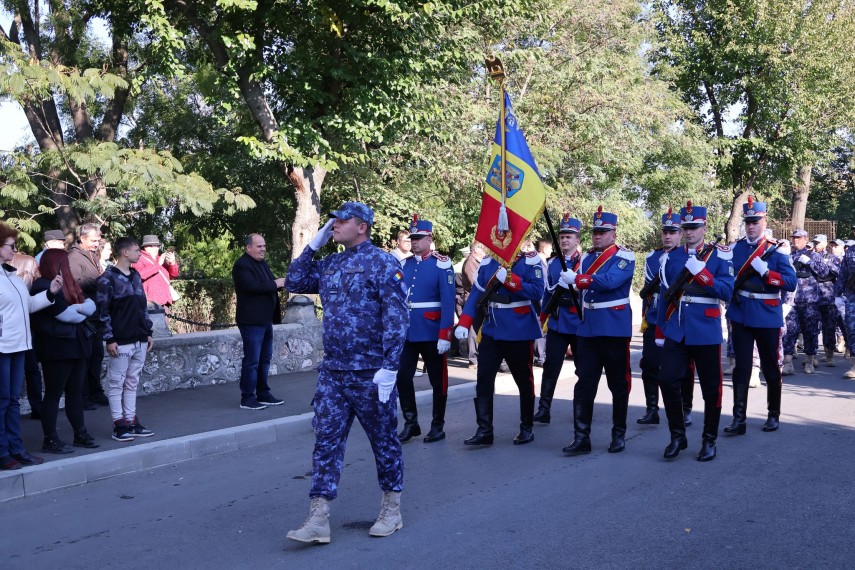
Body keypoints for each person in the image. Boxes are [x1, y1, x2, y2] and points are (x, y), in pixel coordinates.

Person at [285, 201, 409, 543]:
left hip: (371, 372)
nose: (335, 225)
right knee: (326, 442)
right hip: (334, 373)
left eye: (342, 221)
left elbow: (397, 320)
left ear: (362, 226)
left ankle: (391, 509)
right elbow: (294, 281)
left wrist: (390, 367)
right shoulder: (331, 263)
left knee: (384, 442)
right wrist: (312, 246)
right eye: (333, 221)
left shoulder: (384, 263)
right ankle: (319, 519)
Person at [656, 202, 734, 461]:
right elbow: (665, 296)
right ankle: (677, 436)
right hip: (676, 329)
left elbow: (726, 292)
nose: (689, 232)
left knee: (711, 388)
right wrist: (660, 329)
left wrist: (704, 276)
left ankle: (709, 439)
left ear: (704, 227)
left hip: (706, 328)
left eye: (694, 227)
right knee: (667, 380)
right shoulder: (671, 257)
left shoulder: (720, 255)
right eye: (685, 228)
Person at [455, 238, 546, 447]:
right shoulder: (487, 263)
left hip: (519, 331)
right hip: (492, 330)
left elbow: (537, 292)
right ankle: (484, 430)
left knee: (524, 381)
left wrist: (512, 281)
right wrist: (464, 322)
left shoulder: (530, 262)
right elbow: (476, 294)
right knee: (484, 380)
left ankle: (526, 427)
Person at [562, 206, 635, 456]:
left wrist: (578, 280)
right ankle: (582, 437)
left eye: (603, 232)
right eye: (595, 232)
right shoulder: (587, 259)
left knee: (618, 384)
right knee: (585, 384)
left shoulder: (625, 257)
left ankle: (618, 434)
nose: (597, 236)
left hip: (613, 328)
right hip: (588, 328)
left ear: (614, 233)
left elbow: (610, 281)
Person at [725, 197, 796, 435]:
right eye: (748, 222)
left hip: (766, 315)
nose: (751, 226)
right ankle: (738, 419)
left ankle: (773, 414)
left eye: (755, 221)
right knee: (741, 367)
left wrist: (768, 273)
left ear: (764, 221)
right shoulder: (736, 248)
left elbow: (790, 283)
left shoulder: (776, 250)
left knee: (770, 367)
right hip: (742, 314)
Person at [0, 222, 62, 470]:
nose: (14, 250)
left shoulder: (11, 275)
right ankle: (3, 451)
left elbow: (25, 307)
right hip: (3, 348)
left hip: (19, 346)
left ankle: (16, 449)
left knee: (13, 400)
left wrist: (51, 293)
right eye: (10, 246)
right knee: (3, 401)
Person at [30, 249, 99, 453]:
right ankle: (50, 439)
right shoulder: (42, 286)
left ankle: (80, 433)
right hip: (56, 348)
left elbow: (91, 306)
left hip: (75, 346)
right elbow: (65, 315)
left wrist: (78, 309)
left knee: (75, 393)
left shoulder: (69, 284)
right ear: (57, 263)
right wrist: (80, 310)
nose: (68, 264)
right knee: (53, 394)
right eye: (65, 261)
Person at [395, 215, 455, 443]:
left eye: (419, 238)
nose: (415, 242)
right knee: (402, 377)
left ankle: (438, 425)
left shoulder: (441, 263)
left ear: (430, 238)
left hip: (432, 331)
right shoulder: (405, 264)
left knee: (438, 381)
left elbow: (448, 301)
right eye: (412, 238)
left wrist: (445, 334)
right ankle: (411, 423)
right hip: (409, 331)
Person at [637, 208, 696, 427]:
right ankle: (652, 408)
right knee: (649, 365)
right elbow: (647, 291)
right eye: (665, 232)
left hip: (678, 320)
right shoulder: (652, 258)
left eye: (673, 232)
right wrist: (645, 318)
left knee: (684, 368)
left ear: (681, 234)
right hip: (655, 318)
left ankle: (685, 408)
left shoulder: (687, 257)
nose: (668, 236)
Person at [96, 237, 155, 442]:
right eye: (137, 250)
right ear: (125, 253)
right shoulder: (107, 278)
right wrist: (109, 338)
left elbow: (142, 306)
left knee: (132, 382)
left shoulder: (136, 275)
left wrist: (148, 332)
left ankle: (131, 420)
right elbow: (103, 311)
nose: (140, 253)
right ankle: (118, 423)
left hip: (139, 337)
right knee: (116, 383)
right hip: (120, 340)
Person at [534, 214, 583, 424]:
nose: (564, 240)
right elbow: (547, 293)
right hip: (557, 322)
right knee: (551, 367)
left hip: (580, 323)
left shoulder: (586, 262)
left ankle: (581, 410)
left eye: (569, 236)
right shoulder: (553, 263)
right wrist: (542, 317)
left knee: (583, 369)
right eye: (562, 236)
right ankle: (544, 408)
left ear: (577, 240)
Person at [231, 233, 286, 410]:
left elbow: (269, 283)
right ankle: (247, 398)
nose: (263, 249)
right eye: (259, 246)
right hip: (251, 321)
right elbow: (252, 287)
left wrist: (281, 283)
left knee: (264, 359)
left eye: (264, 246)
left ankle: (263, 393)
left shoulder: (261, 263)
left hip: (265, 321)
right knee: (252, 360)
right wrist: (276, 283)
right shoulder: (241, 265)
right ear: (248, 248)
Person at [68, 223, 109, 409]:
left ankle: (95, 391)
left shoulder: (91, 254)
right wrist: (98, 281)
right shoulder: (74, 257)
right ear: (83, 239)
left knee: (97, 355)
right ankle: (83, 395)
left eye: (98, 239)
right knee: (85, 356)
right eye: (93, 240)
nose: (96, 243)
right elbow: (75, 282)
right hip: (85, 316)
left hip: (96, 313)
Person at [781, 229, 827, 375]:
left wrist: (811, 263)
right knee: (789, 331)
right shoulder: (788, 256)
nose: (796, 241)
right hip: (792, 300)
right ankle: (787, 362)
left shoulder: (814, 256)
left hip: (809, 300)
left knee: (810, 331)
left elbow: (824, 273)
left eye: (799, 238)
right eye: (794, 238)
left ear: (806, 239)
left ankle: (809, 361)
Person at [13, 251, 44, 421]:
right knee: (32, 368)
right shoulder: (30, 261)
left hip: (15, 325)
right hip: (27, 322)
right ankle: (37, 407)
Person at [133, 235, 180, 309]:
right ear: (145, 247)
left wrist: (172, 263)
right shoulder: (139, 258)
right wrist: (158, 264)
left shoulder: (160, 258)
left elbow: (174, 275)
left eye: (158, 246)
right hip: (150, 303)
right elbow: (140, 275)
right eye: (153, 246)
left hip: (165, 302)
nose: (156, 248)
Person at [461, 242, 485, 368]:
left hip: (477, 299)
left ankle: (476, 356)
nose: (485, 251)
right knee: (473, 329)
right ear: (476, 250)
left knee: (477, 328)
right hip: (473, 299)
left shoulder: (476, 261)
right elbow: (473, 283)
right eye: (483, 249)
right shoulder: (471, 262)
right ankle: (473, 358)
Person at [835, 238, 855, 378]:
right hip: (852, 295)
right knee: (852, 329)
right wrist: (837, 295)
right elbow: (843, 275)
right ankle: (854, 364)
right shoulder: (851, 252)